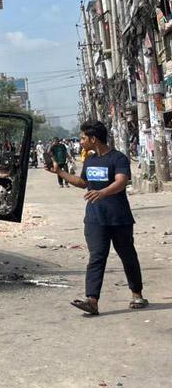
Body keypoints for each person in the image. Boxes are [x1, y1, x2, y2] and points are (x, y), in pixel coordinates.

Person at [47, 120, 147, 315]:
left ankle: (137, 293)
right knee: (96, 257)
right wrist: (60, 172)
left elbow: (121, 181)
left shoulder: (118, 158)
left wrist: (103, 193)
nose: (81, 141)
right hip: (95, 219)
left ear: (93, 139)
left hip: (119, 218)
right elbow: (83, 182)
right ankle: (92, 300)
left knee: (127, 256)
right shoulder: (90, 160)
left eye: (83, 138)